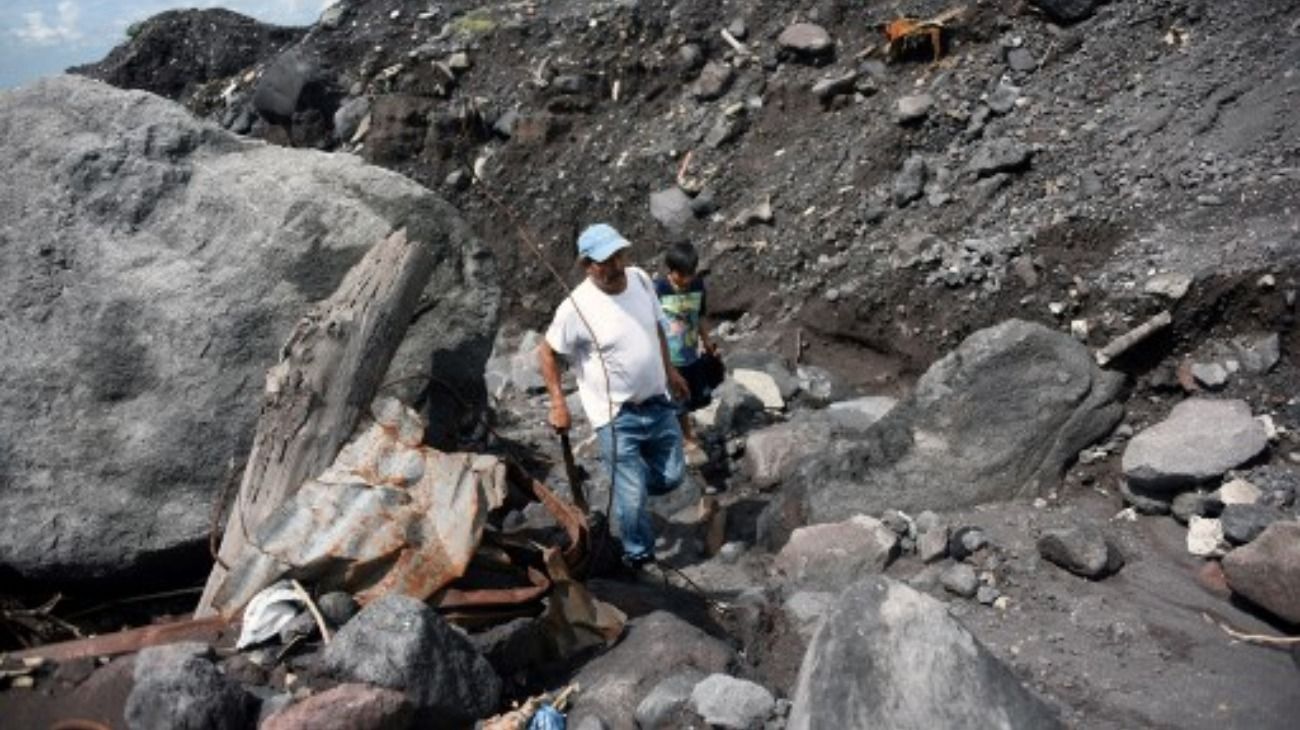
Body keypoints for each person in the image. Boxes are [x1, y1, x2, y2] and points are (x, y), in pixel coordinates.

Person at [538, 223, 691, 569]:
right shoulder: (575, 307)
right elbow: (545, 353)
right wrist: (558, 403)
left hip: (657, 401)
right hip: (616, 414)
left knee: (672, 476)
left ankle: (627, 494)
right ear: (586, 265)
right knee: (633, 494)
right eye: (604, 261)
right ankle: (639, 555)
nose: (614, 266)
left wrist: (671, 372)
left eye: (617, 256)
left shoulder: (638, 279)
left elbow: (655, 327)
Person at [654, 241, 717, 466]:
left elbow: (699, 316)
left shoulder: (697, 286)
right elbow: (652, 325)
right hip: (669, 357)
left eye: (691, 274)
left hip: (691, 351)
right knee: (679, 399)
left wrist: (706, 340)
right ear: (672, 271)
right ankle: (687, 439)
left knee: (697, 396)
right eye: (683, 275)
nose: (688, 280)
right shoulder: (659, 289)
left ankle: (682, 430)